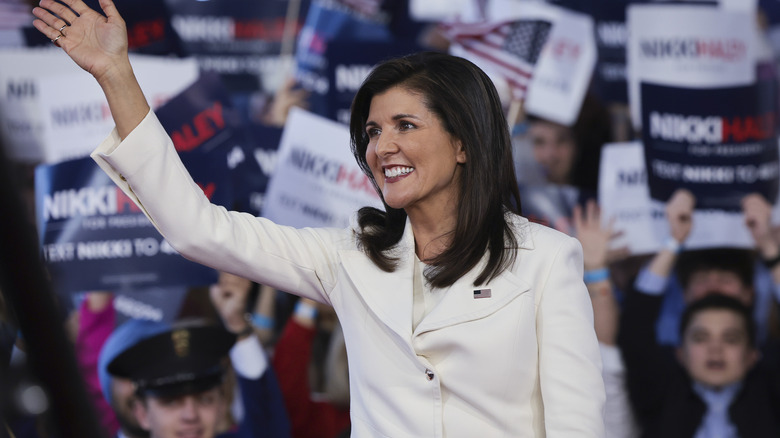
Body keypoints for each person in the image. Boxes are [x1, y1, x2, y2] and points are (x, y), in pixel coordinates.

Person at [32, 1, 605, 435]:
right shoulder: (351, 257)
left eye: (406, 125)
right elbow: (196, 227)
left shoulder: (547, 260)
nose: (383, 147)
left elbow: (578, 426)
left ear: (463, 142)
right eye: (374, 131)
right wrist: (116, 75)